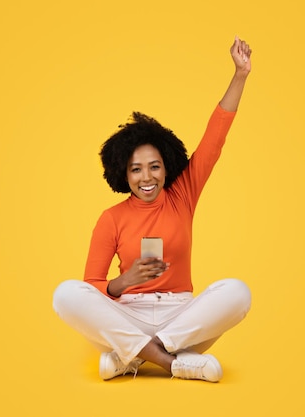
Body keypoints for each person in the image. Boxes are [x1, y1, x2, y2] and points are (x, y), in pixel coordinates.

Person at [53, 36, 253, 382]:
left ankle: (134, 356)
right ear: (123, 173)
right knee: (66, 294)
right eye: (136, 169)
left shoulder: (183, 194)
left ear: (166, 166)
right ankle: (173, 362)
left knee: (238, 292)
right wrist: (123, 282)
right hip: (129, 312)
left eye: (154, 166)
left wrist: (240, 74)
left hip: (182, 314)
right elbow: (91, 286)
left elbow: (214, 139)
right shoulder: (111, 218)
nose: (147, 177)